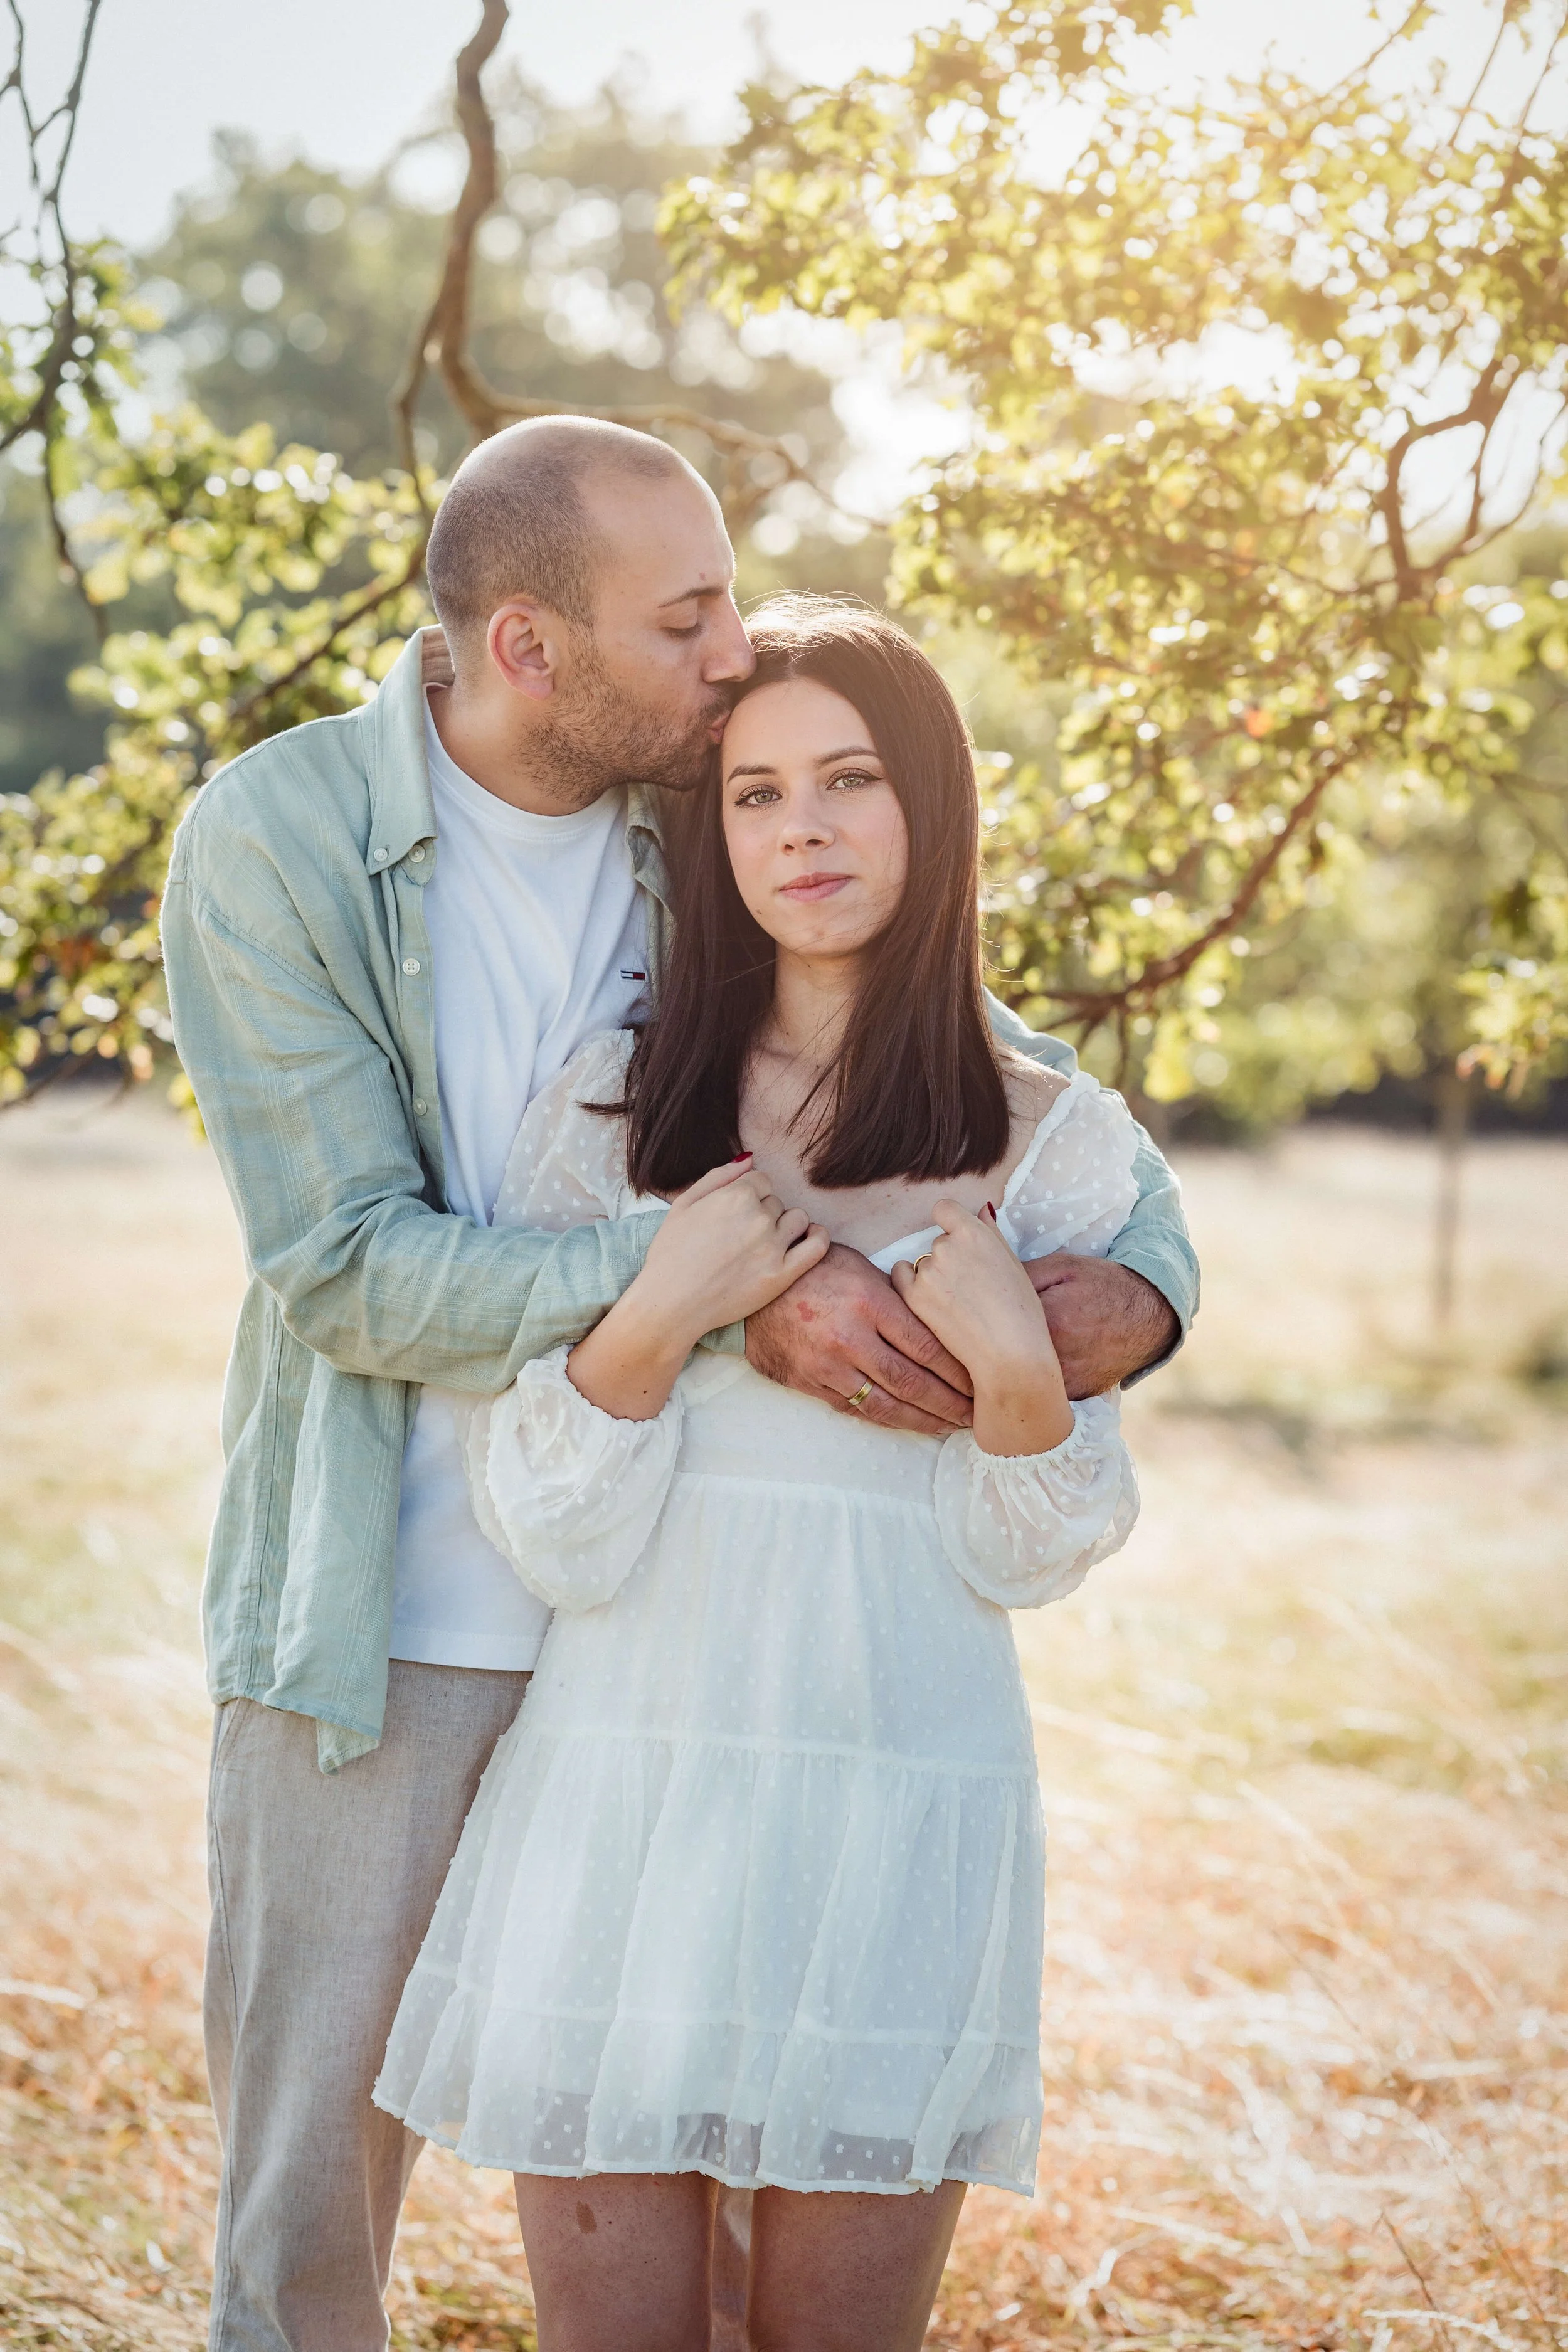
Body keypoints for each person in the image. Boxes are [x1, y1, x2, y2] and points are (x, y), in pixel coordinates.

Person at [161, 416, 1198, 2352]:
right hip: (398, 1608)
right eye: (690, 613)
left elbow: (965, 1052)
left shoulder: (689, 795)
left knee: (732, 2154)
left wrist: (1140, 1286)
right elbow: (339, 1264)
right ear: (535, 649)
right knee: (311, 2204)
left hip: (682, 1645)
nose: (734, 652)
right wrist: (722, 1298)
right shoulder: (283, 835)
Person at [374, 598, 1145, 2352]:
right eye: (752, 793)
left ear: (929, 805)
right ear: (706, 833)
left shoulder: (1050, 1131)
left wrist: (1015, 1371)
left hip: (901, 1796)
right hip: (628, 1791)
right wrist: (665, 1312)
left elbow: (1030, 1555)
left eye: (851, 781)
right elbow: (555, 1527)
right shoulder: (614, 1103)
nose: (798, 828)